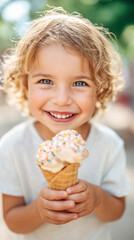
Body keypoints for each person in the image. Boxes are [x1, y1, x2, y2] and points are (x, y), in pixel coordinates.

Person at [0, 6, 131, 240]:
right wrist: (38, 210)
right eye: (45, 80)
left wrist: (98, 198)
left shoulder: (109, 144)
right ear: (25, 84)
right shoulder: (12, 146)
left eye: (80, 83)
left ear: (99, 88)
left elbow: (116, 211)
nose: (61, 100)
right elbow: (12, 220)